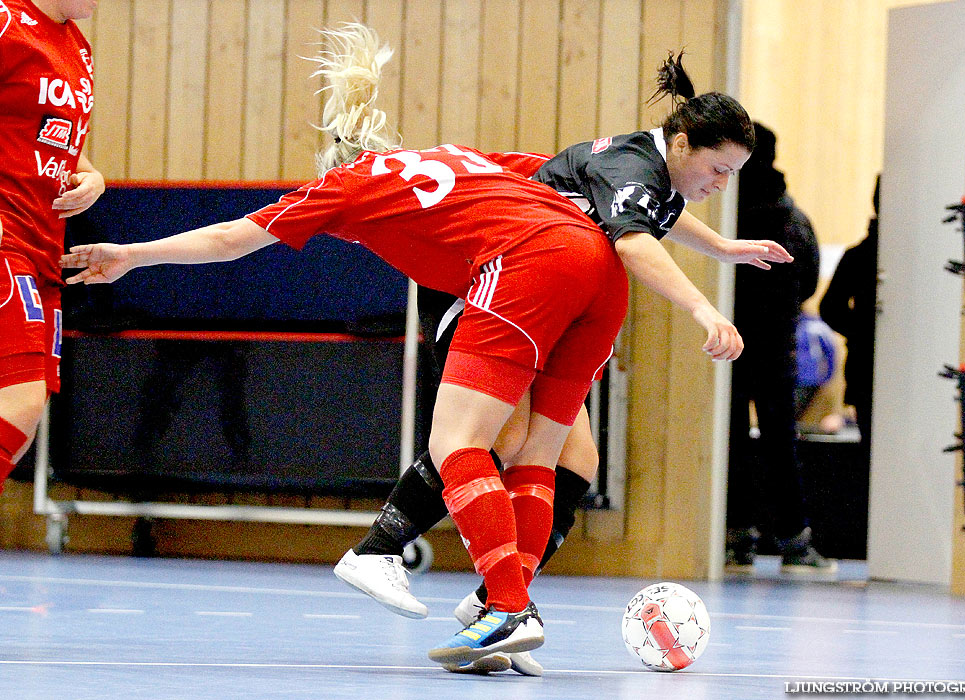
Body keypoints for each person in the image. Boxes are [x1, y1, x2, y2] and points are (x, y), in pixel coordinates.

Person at [60, 23, 746, 672]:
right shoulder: (458, 155)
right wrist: (719, 252)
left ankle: (492, 600)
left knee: (459, 446)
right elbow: (577, 176)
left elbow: (228, 240)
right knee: (543, 452)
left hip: (523, 270)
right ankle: (499, 608)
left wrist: (131, 254)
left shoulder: (344, 188)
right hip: (598, 275)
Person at [334, 48, 790, 674]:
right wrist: (703, 309)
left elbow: (660, 213)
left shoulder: (650, 167)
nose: (722, 184)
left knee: (577, 457)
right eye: (718, 168)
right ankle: (398, 556)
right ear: (682, 144)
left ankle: (499, 605)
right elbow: (633, 241)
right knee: (504, 434)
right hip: (486, 284)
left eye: (733, 173)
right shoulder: (632, 164)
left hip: (547, 294)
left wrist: (722, 247)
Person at [0, 0, 104, 494]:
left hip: (46, 251)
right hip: (8, 240)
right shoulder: (6, 22)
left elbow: (56, 137)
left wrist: (93, 177)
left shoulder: (77, 48)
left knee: (27, 416)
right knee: (17, 405)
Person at [724, 122, 834, 573]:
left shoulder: (722, 209)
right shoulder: (790, 214)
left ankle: (734, 540)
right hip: (775, 343)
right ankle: (793, 542)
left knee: (727, 440)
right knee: (779, 441)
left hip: (725, 342)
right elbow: (808, 280)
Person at [820, 174, 880, 455]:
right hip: (867, 365)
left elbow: (830, 308)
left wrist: (862, 333)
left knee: (870, 450)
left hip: (863, 364)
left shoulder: (859, 254)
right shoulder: (862, 255)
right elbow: (830, 308)